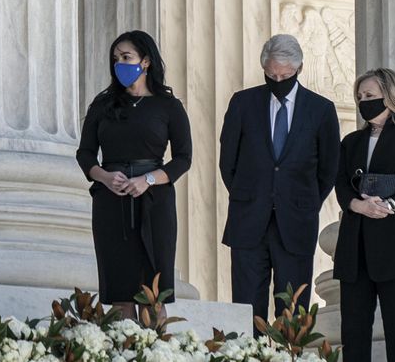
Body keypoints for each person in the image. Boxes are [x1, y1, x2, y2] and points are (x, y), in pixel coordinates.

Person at [219, 34, 340, 329]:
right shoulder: (243, 102)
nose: (278, 79)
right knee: (247, 309)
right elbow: (228, 162)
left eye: (285, 75)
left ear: (298, 69)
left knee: (293, 311)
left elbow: (328, 169)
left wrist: (302, 202)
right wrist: (251, 195)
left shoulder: (321, 110)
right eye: (272, 74)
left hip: (296, 221)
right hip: (248, 219)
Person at [76, 30, 192, 319]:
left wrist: (148, 180)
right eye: (116, 59)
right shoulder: (103, 105)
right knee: (120, 292)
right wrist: (103, 177)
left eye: (126, 57)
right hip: (111, 202)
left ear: (146, 61)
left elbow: (183, 158)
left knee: (152, 295)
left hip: (154, 202)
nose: (120, 64)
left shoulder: (168, 106)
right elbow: (85, 153)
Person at [333, 68, 395, 362]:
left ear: (390, 98)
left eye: (370, 95)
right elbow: (340, 185)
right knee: (353, 333)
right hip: (356, 247)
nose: (364, 101)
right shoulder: (350, 141)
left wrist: (388, 205)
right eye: (360, 96)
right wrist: (358, 205)